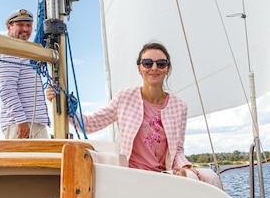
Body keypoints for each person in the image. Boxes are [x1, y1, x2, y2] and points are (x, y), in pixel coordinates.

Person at [49, 42, 221, 188]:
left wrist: (184, 167)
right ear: (140, 68)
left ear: (167, 69)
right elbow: (91, 124)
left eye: (161, 63)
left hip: (164, 174)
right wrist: (63, 105)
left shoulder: (179, 106)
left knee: (211, 177)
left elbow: (177, 150)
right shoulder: (125, 97)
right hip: (132, 175)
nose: (154, 68)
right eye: (147, 63)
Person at [0, 9, 50, 139]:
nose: (25, 29)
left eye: (28, 25)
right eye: (20, 25)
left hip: (36, 123)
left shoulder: (26, 52)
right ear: (9, 26)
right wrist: (21, 121)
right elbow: (7, 89)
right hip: (21, 125)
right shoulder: (8, 50)